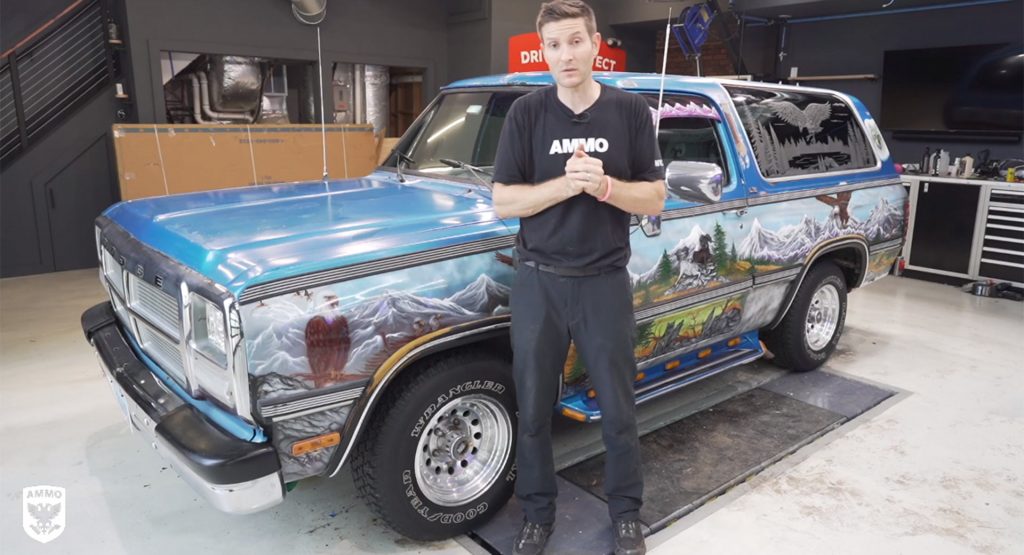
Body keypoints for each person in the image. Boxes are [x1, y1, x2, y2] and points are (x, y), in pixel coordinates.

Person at [491, 2, 666, 553]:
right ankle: (538, 515)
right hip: (538, 281)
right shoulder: (527, 115)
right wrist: (569, 186)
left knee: (618, 407)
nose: (564, 55)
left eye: (574, 41)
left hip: (604, 281)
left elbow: (656, 195)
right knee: (535, 407)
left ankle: (626, 515)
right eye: (553, 45)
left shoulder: (631, 113)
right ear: (543, 51)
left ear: (596, 45)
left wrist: (606, 186)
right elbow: (502, 201)